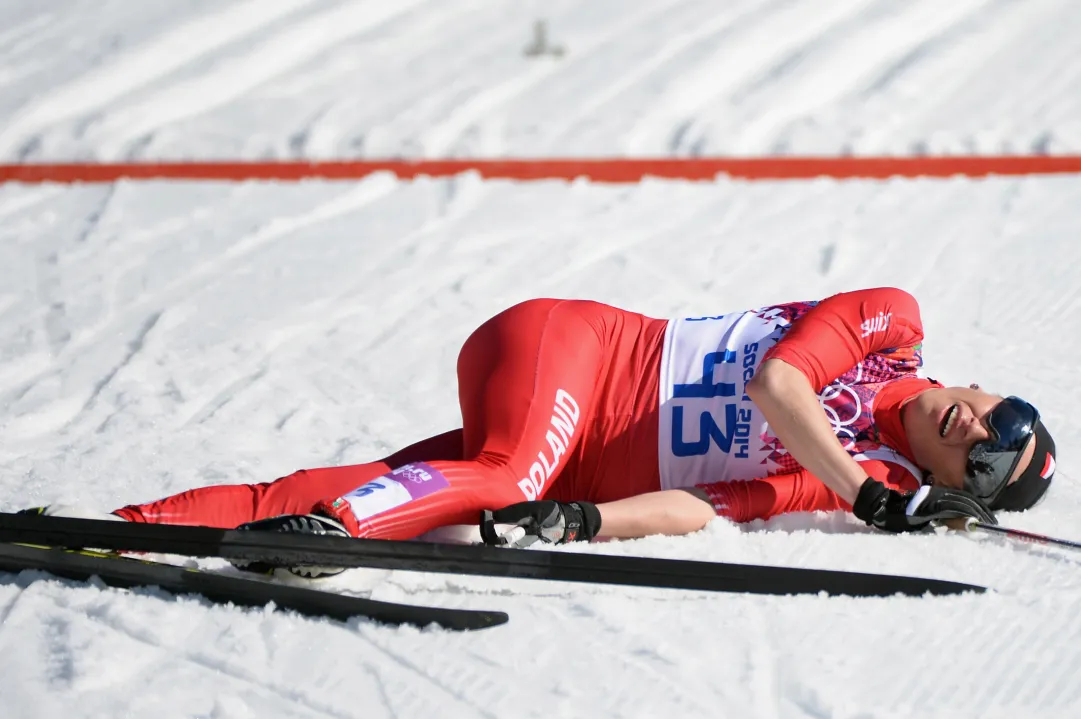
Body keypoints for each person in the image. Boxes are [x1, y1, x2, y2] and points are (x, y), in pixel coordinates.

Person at [39, 288, 1056, 569]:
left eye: (984, 455)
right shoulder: (893, 323)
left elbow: (707, 505)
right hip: (571, 349)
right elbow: (781, 383)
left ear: (955, 476)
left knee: (431, 481)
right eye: (1001, 413)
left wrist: (581, 522)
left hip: (568, 447)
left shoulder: (839, 478)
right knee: (496, 470)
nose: (978, 424)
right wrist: (872, 494)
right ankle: (332, 537)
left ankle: (114, 520)